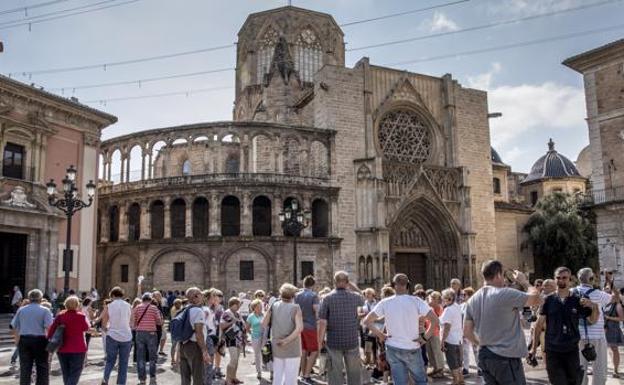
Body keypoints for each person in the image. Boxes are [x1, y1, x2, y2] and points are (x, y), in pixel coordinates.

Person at [463, 260, 542, 385]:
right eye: (503, 276)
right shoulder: (504, 293)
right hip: (506, 358)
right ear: (499, 275)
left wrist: (483, 344)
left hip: (484, 356)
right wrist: (524, 281)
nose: (505, 280)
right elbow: (537, 299)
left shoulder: (472, 299)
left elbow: (467, 332)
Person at [363, 274, 438, 385]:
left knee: (400, 382)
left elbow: (367, 321)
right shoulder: (416, 301)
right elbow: (435, 320)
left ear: (393, 286)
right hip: (412, 346)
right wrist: (425, 338)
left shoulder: (385, 302)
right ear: (408, 286)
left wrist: (380, 335)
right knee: (421, 381)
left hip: (393, 347)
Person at [532, 266, 596, 385]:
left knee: (573, 382)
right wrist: (534, 348)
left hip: (571, 351)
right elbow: (538, 325)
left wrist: (594, 306)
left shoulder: (577, 300)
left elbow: (592, 320)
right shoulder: (547, 300)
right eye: (558, 278)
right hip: (552, 351)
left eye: (564, 278)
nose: (561, 280)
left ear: (569, 280)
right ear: (555, 279)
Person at [317, 271, 364, 385]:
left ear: (334, 282)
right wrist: (352, 285)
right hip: (351, 339)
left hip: (334, 340)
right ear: (347, 282)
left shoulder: (327, 298)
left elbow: (322, 322)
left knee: (334, 374)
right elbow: (362, 297)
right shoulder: (355, 297)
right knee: (354, 374)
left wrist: (319, 341)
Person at [575, 267, 613, 385]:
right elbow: (615, 298)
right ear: (591, 279)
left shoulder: (572, 292)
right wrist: (610, 282)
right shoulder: (599, 294)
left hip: (578, 335)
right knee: (599, 368)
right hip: (597, 336)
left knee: (581, 369)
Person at [262, 283, 303, 385]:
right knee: (291, 378)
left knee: (278, 376)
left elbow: (263, 323)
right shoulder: (295, 307)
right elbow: (299, 328)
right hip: (292, 346)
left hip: (276, 344)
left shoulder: (274, 305)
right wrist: (286, 340)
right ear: (293, 296)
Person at [11, 289, 53, 385]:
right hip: (40, 340)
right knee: (42, 367)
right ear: (40, 298)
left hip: (24, 339)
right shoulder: (45, 310)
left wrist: (16, 340)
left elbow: (14, 326)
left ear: (29, 298)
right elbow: (49, 327)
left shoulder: (21, 310)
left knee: (25, 368)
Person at [47, 296, 90, 385]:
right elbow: (86, 328)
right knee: (75, 372)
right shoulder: (81, 316)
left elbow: (51, 332)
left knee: (65, 372)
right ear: (77, 305)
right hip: (78, 348)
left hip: (62, 348)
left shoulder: (60, 316)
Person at [101, 286, 133, 385]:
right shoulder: (128, 305)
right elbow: (131, 321)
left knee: (110, 361)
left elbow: (104, 323)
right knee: (123, 363)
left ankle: (105, 379)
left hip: (112, 335)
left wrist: (107, 330)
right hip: (126, 336)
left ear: (113, 295)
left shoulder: (109, 306)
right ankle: (121, 383)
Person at [179, 287, 211, 385]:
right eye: (201, 294)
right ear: (196, 296)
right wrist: (205, 351)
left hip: (183, 345)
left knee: (185, 378)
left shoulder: (184, 309)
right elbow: (199, 333)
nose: (202, 296)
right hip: (194, 346)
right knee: (198, 378)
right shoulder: (198, 311)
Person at [132, 293, 163, 385]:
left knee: (140, 357)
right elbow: (159, 322)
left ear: (142, 299)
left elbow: (134, 320)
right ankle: (152, 377)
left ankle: (142, 379)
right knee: (152, 357)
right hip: (151, 333)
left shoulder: (137, 307)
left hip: (140, 333)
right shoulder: (154, 308)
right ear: (150, 299)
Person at [294, 275, 320, 384]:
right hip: (310, 326)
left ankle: (302, 374)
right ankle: (307, 375)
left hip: (299, 326)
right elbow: (317, 312)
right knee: (314, 351)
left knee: (303, 351)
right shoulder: (314, 296)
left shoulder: (297, 295)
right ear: (313, 285)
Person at [440, 289, 464, 385]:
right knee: (458, 362)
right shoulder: (457, 306)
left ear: (448, 298)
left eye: (443, 298)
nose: (442, 299)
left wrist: (442, 341)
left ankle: (455, 380)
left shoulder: (448, 310)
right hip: (458, 338)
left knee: (452, 362)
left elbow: (447, 327)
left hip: (450, 339)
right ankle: (461, 379)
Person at [220, 297, 245, 385]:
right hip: (231, 339)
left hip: (239, 339)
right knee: (233, 359)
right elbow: (222, 325)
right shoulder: (227, 313)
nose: (239, 306)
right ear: (232, 304)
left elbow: (242, 325)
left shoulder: (238, 313)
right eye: (237, 305)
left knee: (236, 360)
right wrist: (232, 322)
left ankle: (233, 377)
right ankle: (228, 380)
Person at [604, 288, 624, 378]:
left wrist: (608, 317)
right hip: (603, 329)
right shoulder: (604, 304)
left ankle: (615, 370)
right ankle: (598, 368)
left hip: (613, 330)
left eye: (609, 292)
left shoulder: (617, 305)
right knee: (599, 350)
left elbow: (621, 318)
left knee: (614, 350)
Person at [426, 291, 445, 378]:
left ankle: (440, 370)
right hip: (429, 333)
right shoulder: (432, 307)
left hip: (435, 333)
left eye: (432, 298)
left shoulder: (438, 308)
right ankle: (434, 368)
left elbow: (438, 321)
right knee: (430, 352)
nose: (430, 300)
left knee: (437, 352)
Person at [359, 288, 377, 369]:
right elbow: (358, 314)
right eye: (366, 294)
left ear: (373, 295)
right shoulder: (363, 304)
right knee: (367, 346)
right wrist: (364, 314)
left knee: (376, 346)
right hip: (365, 327)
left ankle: (376, 363)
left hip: (376, 326)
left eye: (369, 293)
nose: (367, 295)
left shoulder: (377, 303)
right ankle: (368, 363)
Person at [246, 299, 264, 380]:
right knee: (257, 355)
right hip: (255, 337)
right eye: (258, 306)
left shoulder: (264, 314)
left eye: (261, 306)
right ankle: (259, 372)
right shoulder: (251, 316)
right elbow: (247, 328)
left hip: (264, 337)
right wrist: (252, 334)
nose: (260, 308)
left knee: (266, 353)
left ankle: (271, 371)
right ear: (254, 307)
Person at [460, 287, 477, 376]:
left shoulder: (476, 304)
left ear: (469, 295)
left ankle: (480, 368)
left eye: (464, 294)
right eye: (462, 294)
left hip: (475, 330)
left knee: (476, 350)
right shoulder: (462, 305)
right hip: (465, 330)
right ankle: (465, 368)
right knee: (465, 350)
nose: (462, 296)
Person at [170, 298, 184, 368]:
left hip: (173, 328)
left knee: (174, 345)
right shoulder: (179, 310)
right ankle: (175, 359)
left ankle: (173, 359)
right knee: (176, 345)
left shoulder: (173, 308)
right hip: (177, 329)